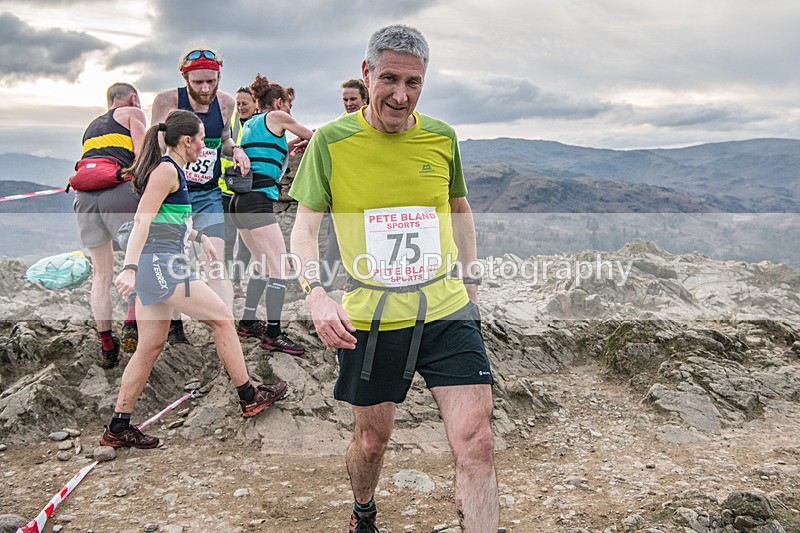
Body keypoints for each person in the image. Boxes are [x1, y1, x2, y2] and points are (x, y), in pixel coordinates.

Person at [289, 25, 499, 532]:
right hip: (372, 317)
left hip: (446, 311)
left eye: (413, 82)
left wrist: (469, 285)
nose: (401, 95)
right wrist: (315, 294)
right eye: (389, 79)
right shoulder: (331, 143)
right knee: (371, 442)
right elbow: (305, 228)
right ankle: (364, 510)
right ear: (366, 75)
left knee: (478, 440)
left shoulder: (442, 137)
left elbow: (459, 208)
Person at [100, 110, 287, 449]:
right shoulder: (166, 171)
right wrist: (128, 268)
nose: (205, 145)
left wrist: (198, 238)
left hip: (159, 261)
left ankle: (118, 426)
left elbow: (167, 220)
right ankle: (248, 395)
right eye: (201, 139)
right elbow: (142, 222)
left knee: (150, 346)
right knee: (222, 319)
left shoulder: (174, 172)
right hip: (162, 265)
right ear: (187, 141)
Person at [151, 48, 248, 345]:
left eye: (212, 81)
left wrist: (238, 150)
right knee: (174, 261)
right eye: (198, 83)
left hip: (207, 194)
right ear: (185, 78)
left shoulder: (226, 102)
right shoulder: (167, 101)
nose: (206, 89)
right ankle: (174, 327)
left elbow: (224, 140)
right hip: (175, 193)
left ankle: (226, 325)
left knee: (215, 261)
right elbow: (154, 145)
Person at [230, 75, 313, 355]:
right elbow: (315, 136)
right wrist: (305, 140)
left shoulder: (250, 123)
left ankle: (249, 321)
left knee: (263, 265)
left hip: (239, 202)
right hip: (257, 202)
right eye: (289, 106)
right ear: (278, 102)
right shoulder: (277, 115)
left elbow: (265, 153)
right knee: (280, 269)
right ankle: (274, 334)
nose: (290, 113)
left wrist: (291, 147)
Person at [72, 82, 146, 367]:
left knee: (101, 275)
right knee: (135, 258)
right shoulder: (133, 113)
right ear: (132, 98)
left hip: (83, 198)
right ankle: (131, 319)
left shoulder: (90, 127)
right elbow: (141, 157)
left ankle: (106, 344)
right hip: (118, 191)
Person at [319, 78, 370, 291]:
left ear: (365, 99)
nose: (349, 103)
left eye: (353, 99)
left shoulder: (375, 125)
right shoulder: (337, 127)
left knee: (366, 242)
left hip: (368, 194)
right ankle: (323, 288)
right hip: (341, 196)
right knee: (336, 243)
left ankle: (356, 283)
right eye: (345, 99)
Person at [220, 86, 256, 299]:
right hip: (225, 189)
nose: (241, 107)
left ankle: (236, 282)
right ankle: (225, 283)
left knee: (246, 244)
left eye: (245, 103)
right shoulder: (230, 122)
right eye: (238, 103)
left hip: (248, 192)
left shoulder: (261, 123)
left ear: (255, 104)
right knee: (227, 240)